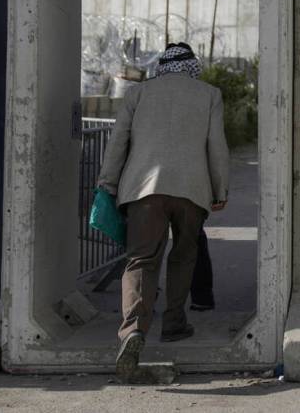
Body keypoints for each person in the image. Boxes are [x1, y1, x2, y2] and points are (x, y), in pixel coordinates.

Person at [98, 42, 230, 378]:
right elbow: (216, 145)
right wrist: (220, 189)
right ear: (191, 67)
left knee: (141, 259)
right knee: (185, 255)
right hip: (191, 190)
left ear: (162, 66)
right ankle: (173, 323)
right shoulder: (209, 94)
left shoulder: (138, 94)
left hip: (144, 190)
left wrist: (107, 183)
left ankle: (133, 331)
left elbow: (118, 142)